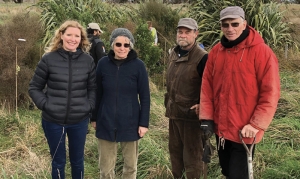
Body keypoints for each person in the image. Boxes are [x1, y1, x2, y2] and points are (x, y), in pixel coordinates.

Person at [199, 6, 280, 179]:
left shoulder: (262, 53)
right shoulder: (215, 53)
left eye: (234, 24)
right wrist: (207, 118)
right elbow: (207, 86)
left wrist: (256, 125)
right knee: (227, 171)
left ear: (244, 24)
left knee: (238, 175)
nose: (230, 29)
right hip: (221, 130)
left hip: (245, 131)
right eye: (225, 25)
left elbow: (270, 93)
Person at [28, 20, 97, 179]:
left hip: (79, 121)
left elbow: (93, 88)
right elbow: (34, 87)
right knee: (58, 162)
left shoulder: (88, 61)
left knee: (78, 161)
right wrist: (46, 105)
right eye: (69, 35)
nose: (73, 39)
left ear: (81, 39)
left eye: (77, 36)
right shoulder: (49, 59)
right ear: (61, 35)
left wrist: (89, 106)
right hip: (53, 121)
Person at [91, 28, 150, 179]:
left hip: (131, 123)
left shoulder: (139, 66)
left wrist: (143, 123)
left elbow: (145, 97)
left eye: (126, 45)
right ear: (112, 45)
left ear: (131, 46)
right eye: (118, 44)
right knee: (105, 169)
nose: (122, 48)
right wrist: (94, 117)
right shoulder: (103, 64)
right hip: (106, 121)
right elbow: (97, 93)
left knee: (130, 167)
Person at [164, 18, 208, 179]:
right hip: (174, 115)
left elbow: (210, 87)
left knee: (194, 162)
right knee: (176, 158)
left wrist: (203, 106)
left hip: (192, 119)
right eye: (180, 32)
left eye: (187, 32)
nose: (183, 35)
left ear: (196, 34)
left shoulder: (202, 57)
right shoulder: (174, 54)